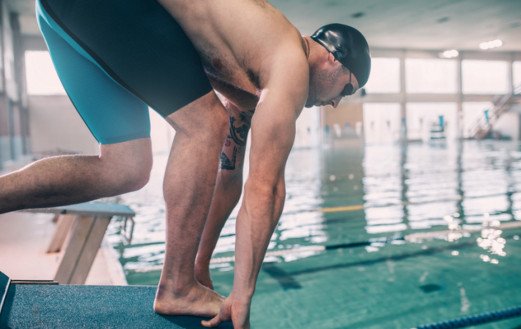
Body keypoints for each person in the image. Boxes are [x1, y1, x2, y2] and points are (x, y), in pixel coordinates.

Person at [0, 0, 370, 327]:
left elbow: (229, 177)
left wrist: (200, 264)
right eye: (347, 89)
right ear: (332, 58)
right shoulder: (290, 66)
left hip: (67, 12)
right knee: (204, 123)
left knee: (125, 167)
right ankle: (175, 286)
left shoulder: (255, 70)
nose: (338, 103)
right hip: (104, 7)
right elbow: (266, 190)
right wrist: (243, 297)